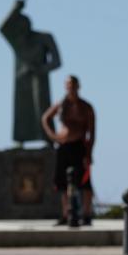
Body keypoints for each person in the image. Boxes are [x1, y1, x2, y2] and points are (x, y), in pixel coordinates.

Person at [0, 0, 62, 144]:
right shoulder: (18, 42)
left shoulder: (44, 38)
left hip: (39, 79)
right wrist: (15, 9)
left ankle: (48, 139)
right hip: (22, 80)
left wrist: (41, 69)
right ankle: (20, 140)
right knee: (22, 111)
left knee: (42, 108)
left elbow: (57, 62)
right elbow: (2, 28)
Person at [42, 75, 95, 225]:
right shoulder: (61, 105)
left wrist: (89, 153)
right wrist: (53, 136)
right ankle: (66, 213)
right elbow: (45, 118)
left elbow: (92, 132)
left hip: (80, 146)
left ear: (78, 86)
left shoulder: (86, 107)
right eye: (68, 85)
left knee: (85, 182)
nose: (70, 87)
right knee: (62, 182)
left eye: (73, 84)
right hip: (63, 145)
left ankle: (86, 213)